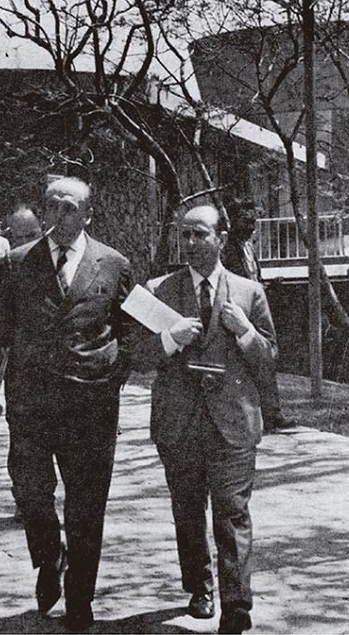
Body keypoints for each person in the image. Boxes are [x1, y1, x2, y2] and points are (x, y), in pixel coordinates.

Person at [0, 176, 133, 631]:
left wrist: (113, 375)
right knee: (30, 492)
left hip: (92, 403)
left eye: (70, 207)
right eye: (52, 206)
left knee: (87, 504)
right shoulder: (16, 263)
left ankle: (80, 600)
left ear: (88, 214)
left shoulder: (115, 264)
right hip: (31, 401)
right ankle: (50, 556)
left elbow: (131, 330)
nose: (59, 215)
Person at [131, 205, 278, 635]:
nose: (192, 243)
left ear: (222, 238)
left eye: (200, 234)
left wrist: (245, 331)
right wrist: (168, 339)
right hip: (179, 423)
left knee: (232, 514)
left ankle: (237, 606)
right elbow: (136, 356)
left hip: (232, 422)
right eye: (185, 235)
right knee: (188, 511)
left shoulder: (249, 292)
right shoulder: (158, 289)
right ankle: (200, 587)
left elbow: (270, 360)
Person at [221, 198, 294, 433]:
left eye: (253, 221)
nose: (251, 226)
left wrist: (267, 287)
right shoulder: (227, 249)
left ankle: (272, 414)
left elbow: (253, 281)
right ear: (232, 221)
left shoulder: (249, 247)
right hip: (238, 313)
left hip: (256, 310)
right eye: (245, 221)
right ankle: (251, 415)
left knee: (266, 357)